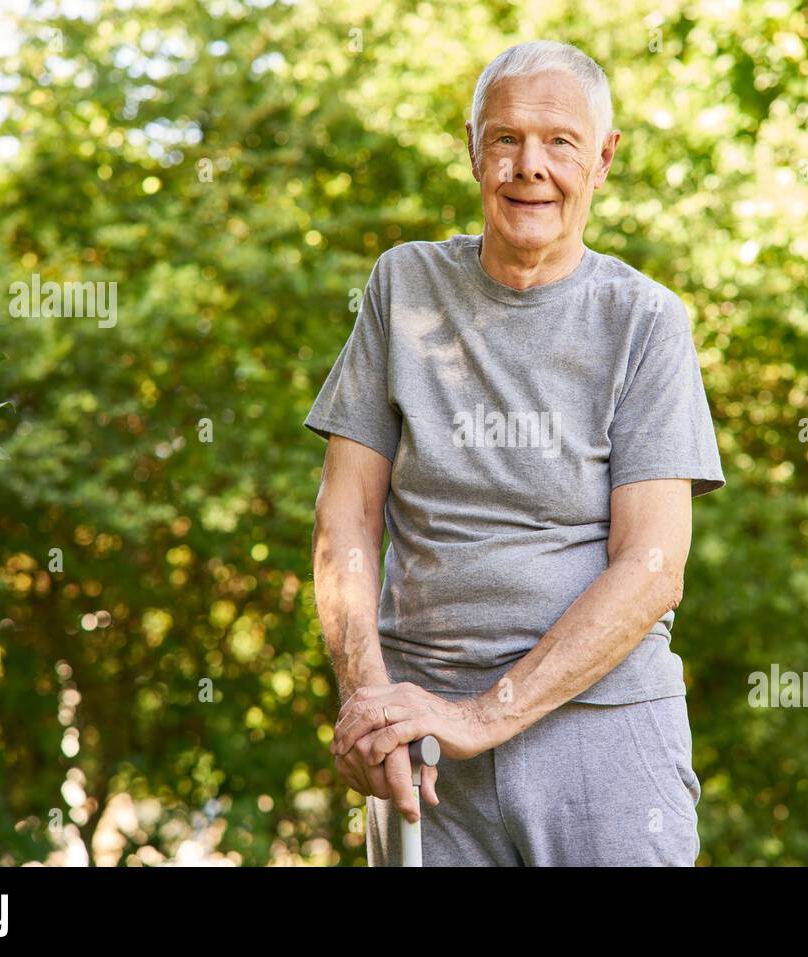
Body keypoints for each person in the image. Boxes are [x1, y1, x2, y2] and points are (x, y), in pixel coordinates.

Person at [305, 39, 725, 866]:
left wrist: (481, 716)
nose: (529, 165)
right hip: (423, 751)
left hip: (603, 740)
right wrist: (369, 701)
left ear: (602, 160)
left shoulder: (644, 321)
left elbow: (652, 565)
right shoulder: (404, 286)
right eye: (506, 139)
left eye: (560, 142)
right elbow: (345, 518)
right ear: (472, 150)